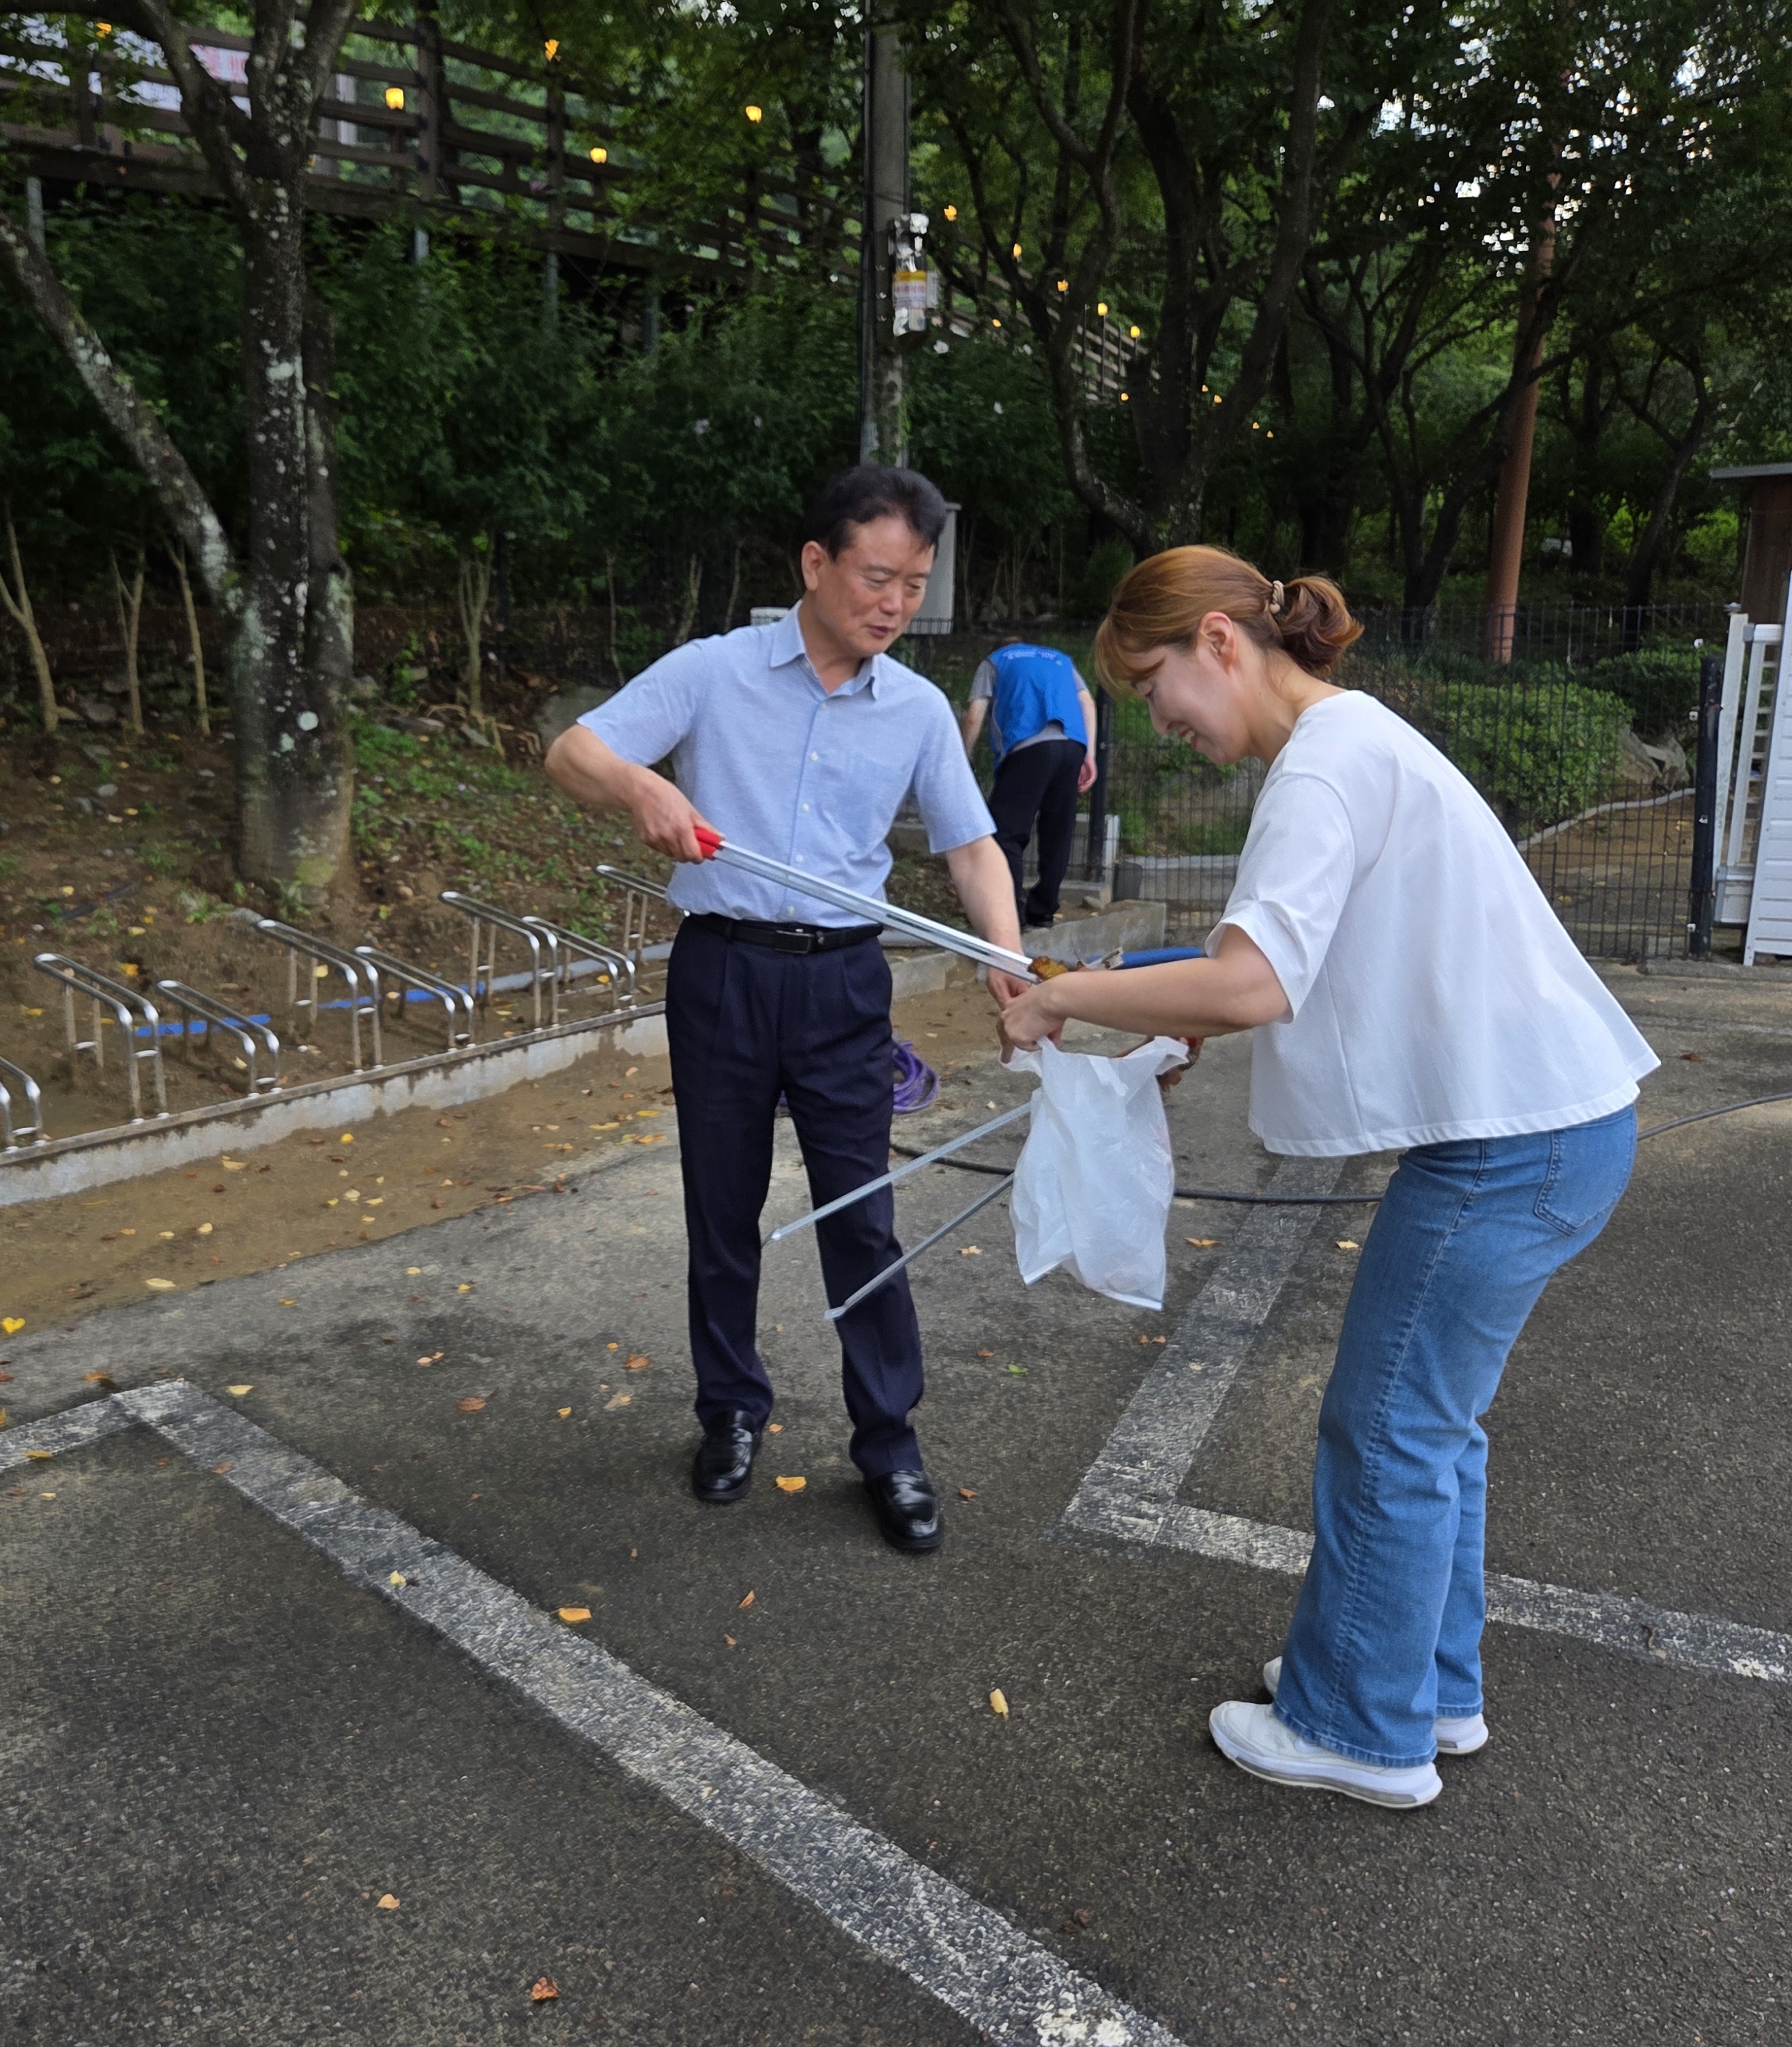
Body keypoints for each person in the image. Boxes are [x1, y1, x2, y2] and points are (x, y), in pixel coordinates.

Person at [994, 546, 1656, 1807]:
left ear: (1220, 644)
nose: (1162, 723)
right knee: (1433, 1426)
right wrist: (1173, 1008)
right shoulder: (1350, 745)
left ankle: (1359, 1727)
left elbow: (1257, 982)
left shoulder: (1323, 768)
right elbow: (1271, 956)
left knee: (1392, 1424)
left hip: (1510, 1148)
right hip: (1555, 1130)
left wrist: (1068, 993)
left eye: (1154, 688)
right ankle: (1426, 1688)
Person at [545, 466, 1030, 1554]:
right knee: (723, 1209)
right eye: (876, 577)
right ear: (815, 565)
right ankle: (729, 1410)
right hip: (721, 968)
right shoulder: (713, 673)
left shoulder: (912, 707)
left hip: (844, 984)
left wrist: (1005, 952)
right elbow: (576, 749)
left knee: (863, 1212)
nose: (895, 604)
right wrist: (645, 790)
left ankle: (890, 1446)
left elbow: (971, 843)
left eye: (913, 584)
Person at [961, 636, 1099, 930]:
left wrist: (964, 758)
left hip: (1028, 745)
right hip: (1073, 746)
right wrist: (1089, 754)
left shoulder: (995, 662)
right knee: (1057, 831)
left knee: (1006, 834)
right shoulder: (1061, 659)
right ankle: (1044, 910)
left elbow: (975, 716)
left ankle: (1011, 914)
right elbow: (1088, 703)